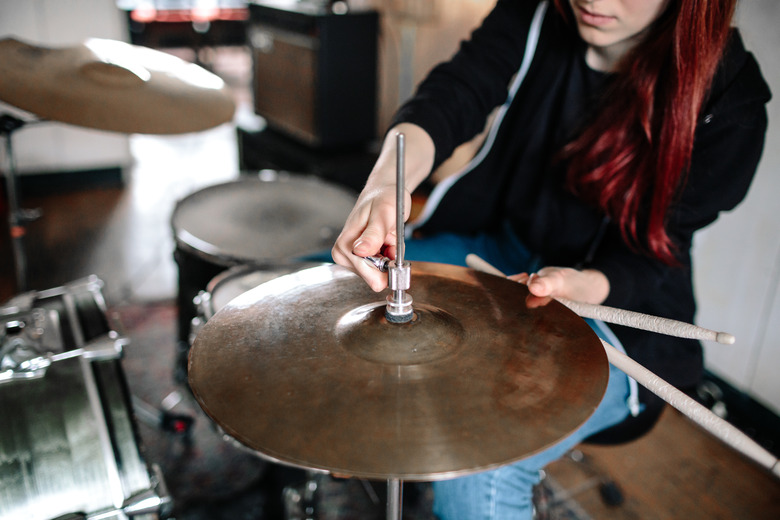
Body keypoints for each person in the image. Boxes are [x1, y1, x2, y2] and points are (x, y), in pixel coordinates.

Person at [330, 0, 771, 518]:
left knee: (483, 458)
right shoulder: (538, 12)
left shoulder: (731, 100)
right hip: (493, 254)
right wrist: (386, 184)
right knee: (315, 290)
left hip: (614, 311)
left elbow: (660, 251)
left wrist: (580, 287)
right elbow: (456, 92)